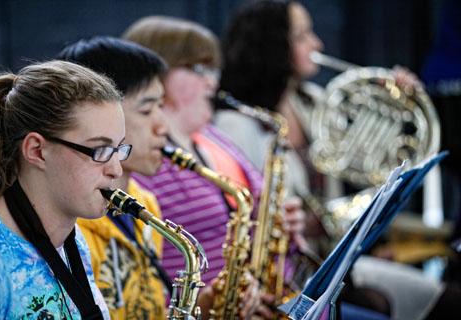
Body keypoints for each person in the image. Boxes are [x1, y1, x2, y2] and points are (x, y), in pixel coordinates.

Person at [214, 1, 450, 319]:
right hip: (293, 273)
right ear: (272, 46)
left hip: (337, 260)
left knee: (448, 299)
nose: (318, 44)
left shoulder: (312, 100)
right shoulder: (237, 124)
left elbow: (373, 160)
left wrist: (401, 102)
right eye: (303, 36)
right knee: (375, 306)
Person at [121, 15, 306, 318]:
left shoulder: (212, 137)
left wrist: (279, 220)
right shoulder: (144, 161)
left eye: (213, 69)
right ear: (156, 72)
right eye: (199, 69)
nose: (213, 81)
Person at [0, 60, 126, 319]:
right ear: (37, 150)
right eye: (99, 150)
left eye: (118, 149)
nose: (117, 170)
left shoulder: (72, 239)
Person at [56, 36, 171, 319]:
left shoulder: (146, 204)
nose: (163, 126)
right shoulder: (68, 225)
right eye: (146, 110)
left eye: (162, 106)